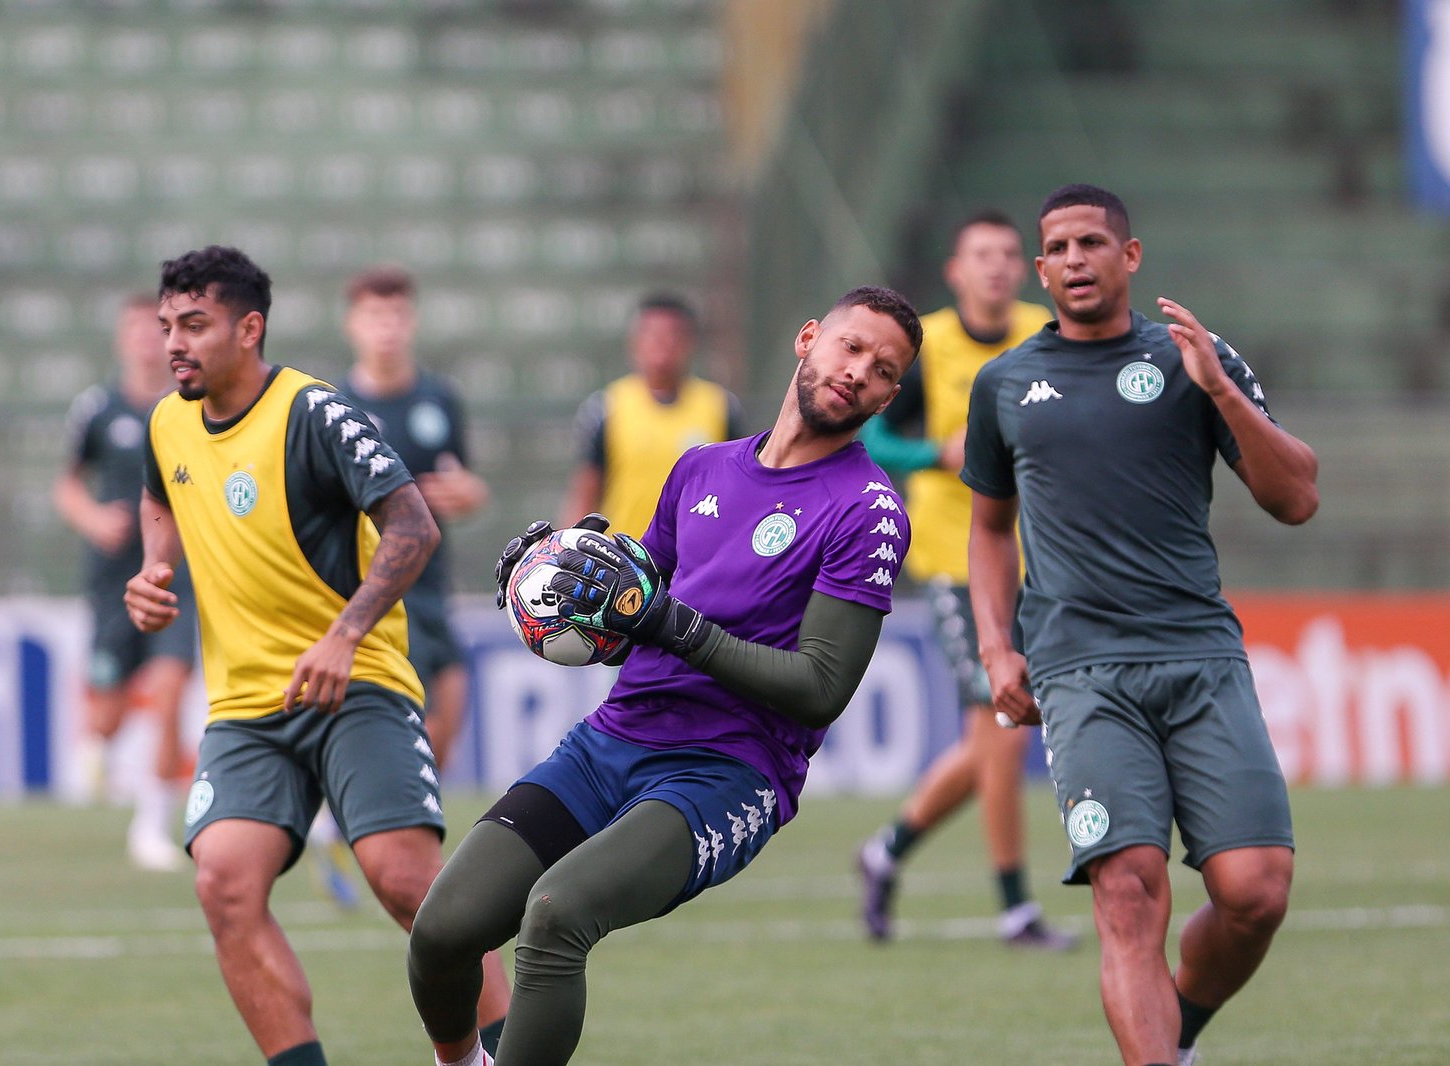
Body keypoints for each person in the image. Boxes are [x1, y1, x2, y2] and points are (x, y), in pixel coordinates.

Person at [406, 285, 923, 1066]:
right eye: (852, 347)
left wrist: (671, 626)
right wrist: (547, 592)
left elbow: (821, 687)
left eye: (885, 370)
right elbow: (627, 623)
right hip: (612, 743)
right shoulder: (701, 469)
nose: (860, 372)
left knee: (556, 914)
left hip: (727, 772)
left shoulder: (868, 508)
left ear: (890, 394)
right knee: (443, 929)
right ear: (809, 338)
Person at [122, 245, 509, 1066]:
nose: (174, 344)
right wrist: (156, 569)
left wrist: (345, 634)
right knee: (224, 885)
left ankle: (494, 1057)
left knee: (407, 882)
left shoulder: (314, 412)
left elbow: (413, 525)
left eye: (195, 324)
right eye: (167, 327)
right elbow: (160, 493)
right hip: (245, 708)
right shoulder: (165, 420)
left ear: (249, 328)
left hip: (356, 684)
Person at [964, 185, 1318, 1066]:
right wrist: (996, 644)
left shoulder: (1193, 358)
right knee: (1128, 890)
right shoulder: (1004, 382)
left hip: (1200, 656)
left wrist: (1221, 393)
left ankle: (1178, 1032)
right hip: (1078, 671)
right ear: (1040, 270)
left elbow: (1298, 498)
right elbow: (988, 528)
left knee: (1256, 892)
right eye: (1058, 248)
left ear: (1131, 257)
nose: (1074, 259)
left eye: (1093, 242)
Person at [854, 211, 1074, 949]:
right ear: (956, 270)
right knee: (1005, 730)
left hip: (1039, 559)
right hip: (955, 559)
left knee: (992, 737)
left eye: (1010, 254)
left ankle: (885, 851)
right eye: (982, 254)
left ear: (1026, 268)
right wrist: (934, 456)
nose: (997, 266)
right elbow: (877, 435)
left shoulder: (1044, 334)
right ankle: (1015, 908)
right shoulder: (929, 346)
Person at [304, 264, 492, 913]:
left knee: (450, 717)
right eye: (374, 316)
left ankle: (346, 823)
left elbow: (462, 482)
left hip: (435, 585)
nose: (386, 328)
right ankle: (379, 835)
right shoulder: (332, 407)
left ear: (410, 322)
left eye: (396, 315)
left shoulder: (440, 400)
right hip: (377, 591)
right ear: (352, 324)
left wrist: (469, 495)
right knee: (415, 717)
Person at [54, 291, 197, 873]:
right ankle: (97, 751)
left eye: (155, 330)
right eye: (135, 329)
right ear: (122, 338)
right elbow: (66, 485)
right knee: (107, 711)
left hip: (176, 579)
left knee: (168, 697)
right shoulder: (97, 408)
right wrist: (92, 519)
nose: (146, 340)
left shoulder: (190, 406)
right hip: (114, 581)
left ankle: (150, 827)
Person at [559, 292, 742, 534]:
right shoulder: (607, 408)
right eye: (653, 335)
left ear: (690, 342)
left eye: (673, 335)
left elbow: (738, 488)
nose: (663, 344)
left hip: (695, 561)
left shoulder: (720, 407)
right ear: (634, 342)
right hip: (623, 560)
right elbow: (585, 491)